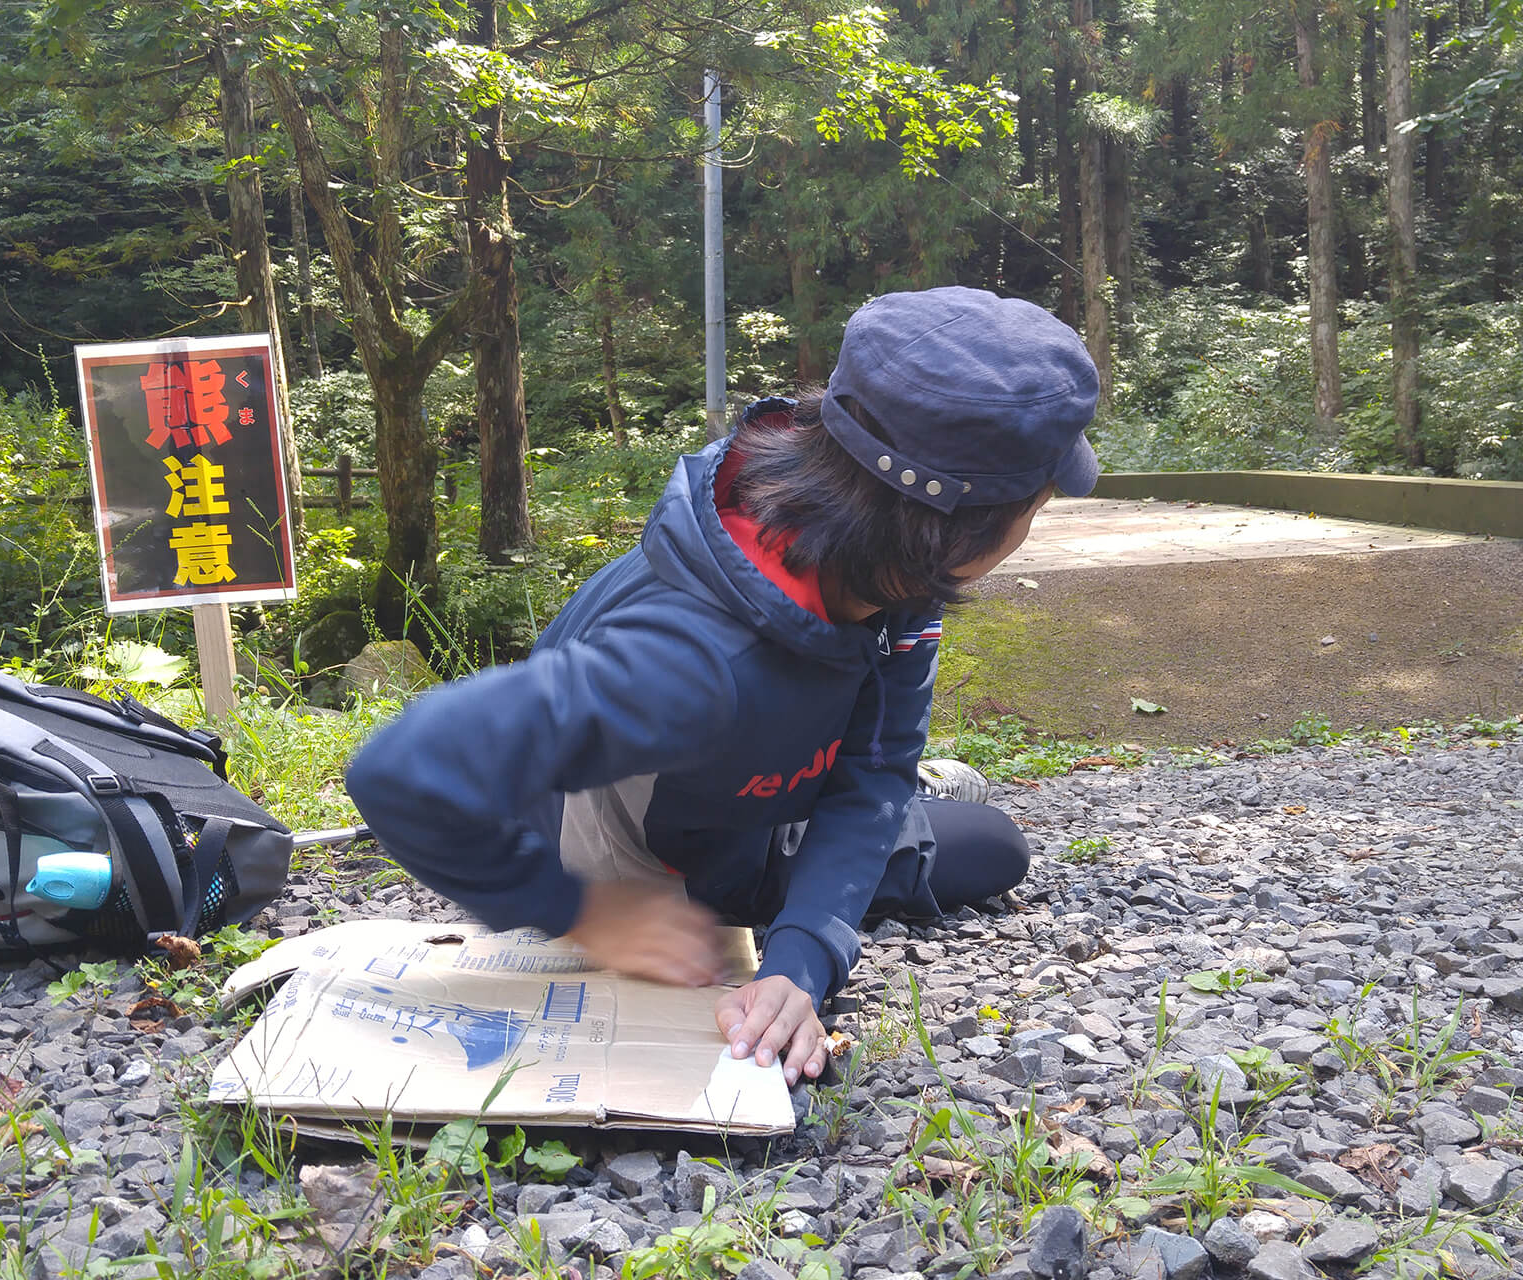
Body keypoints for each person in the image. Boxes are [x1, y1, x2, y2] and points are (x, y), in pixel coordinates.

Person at [344, 286, 1100, 1092]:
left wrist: (802, 960)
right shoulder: (694, 664)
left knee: (988, 841)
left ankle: (890, 801)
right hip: (649, 856)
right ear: (964, 530)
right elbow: (401, 769)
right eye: (1036, 506)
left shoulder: (885, 573)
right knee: (975, 847)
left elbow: (874, 771)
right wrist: (581, 913)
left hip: (749, 797)